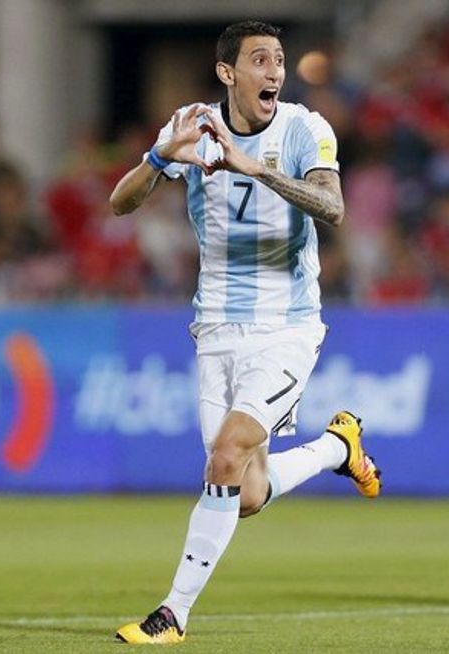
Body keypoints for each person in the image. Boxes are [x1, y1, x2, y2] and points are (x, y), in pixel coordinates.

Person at [108, 20, 382, 644]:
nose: (274, 71)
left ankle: (172, 614)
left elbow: (333, 208)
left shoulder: (305, 129)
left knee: (226, 455)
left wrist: (253, 168)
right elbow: (121, 203)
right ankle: (338, 448)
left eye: (279, 60)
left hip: (286, 326)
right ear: (227, 72)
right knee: (247, 491)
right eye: (260, 60)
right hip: (215, 327)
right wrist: (159, 159)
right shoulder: (193, 123)